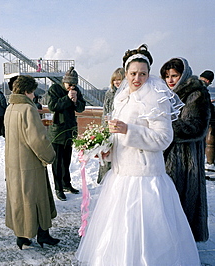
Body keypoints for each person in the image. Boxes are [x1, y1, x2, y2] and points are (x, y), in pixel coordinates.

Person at [76, 44, 200, 265]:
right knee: (118, 233)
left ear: (148, 73)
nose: (137, 78)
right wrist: (106, 150)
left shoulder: (156, 98)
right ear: (126, 73)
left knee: (147, 235)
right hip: (120, 175)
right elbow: (116, 134)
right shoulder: (121, 98)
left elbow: (163, 138)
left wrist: (130, 130)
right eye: (133, 74)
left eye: (143, 73)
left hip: (146, 178)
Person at [4, 75, 59, 250]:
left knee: (19, 199)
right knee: (37, 199)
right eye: (33, 92)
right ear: (26, 91)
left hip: (14, 163)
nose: (34, 96)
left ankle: (22, 236)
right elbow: (37, 139)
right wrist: (49, 156)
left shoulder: (10, 108)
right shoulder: (28, 110)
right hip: (29, 163)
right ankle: (43, 235)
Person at [161, 58, 211, 242]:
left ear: (184, 75)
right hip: (168, 155)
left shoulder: (196, 93)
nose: (171, 80)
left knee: (185, 201)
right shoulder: (165, 94)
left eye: (175, 75)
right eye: (167, 76)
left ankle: (184, 241)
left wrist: (164, 127)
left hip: (187, 157)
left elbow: (197, 127)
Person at [47, 66, 86, 201]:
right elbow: (53, 106)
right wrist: (67, 98)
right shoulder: (54, 90)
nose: (72, 87)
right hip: (57, 131)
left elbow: (81, 107)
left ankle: (66, 184)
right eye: (70, 84)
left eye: (74, 85)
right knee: (57, 162)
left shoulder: (76, 91)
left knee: (66, 161)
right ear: (64, 82)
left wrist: (75, 101)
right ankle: (58, 188)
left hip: (70, 130)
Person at [97, 67, 125, 184]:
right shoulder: (109, 94)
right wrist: (104, 127)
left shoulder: (127, 93)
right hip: (109, 130)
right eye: (115, 80)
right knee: (107, 158)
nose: (117, 82)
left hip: (121, 130)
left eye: (119, 79)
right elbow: (105, 112)